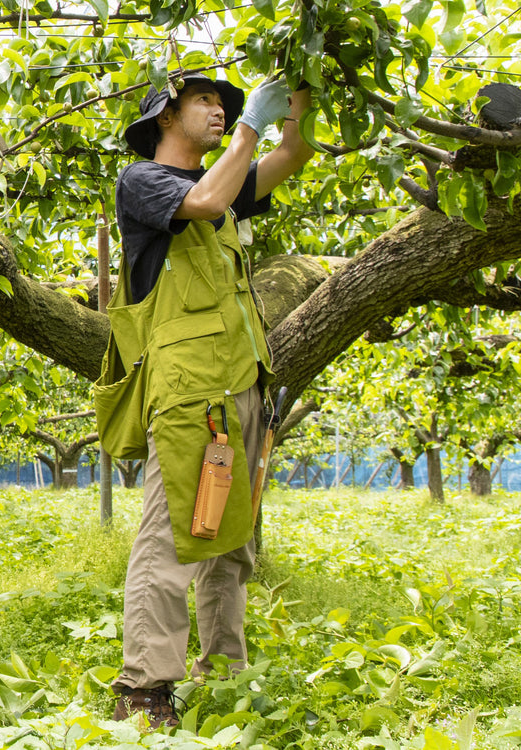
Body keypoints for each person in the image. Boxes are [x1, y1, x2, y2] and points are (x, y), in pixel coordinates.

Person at [94, 70, 313, 728]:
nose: (220, 110)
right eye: (204, 100)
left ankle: (225, 671)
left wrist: (298, 101)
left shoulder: (222, 187)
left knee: (230, 539)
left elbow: (291, 156)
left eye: (227, 103)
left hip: (241, 381)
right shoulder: (144, 184)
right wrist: (252, 124)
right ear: (166, 115)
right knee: (171, 536)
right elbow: (207, 199)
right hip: (190, 391)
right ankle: (145, 688)